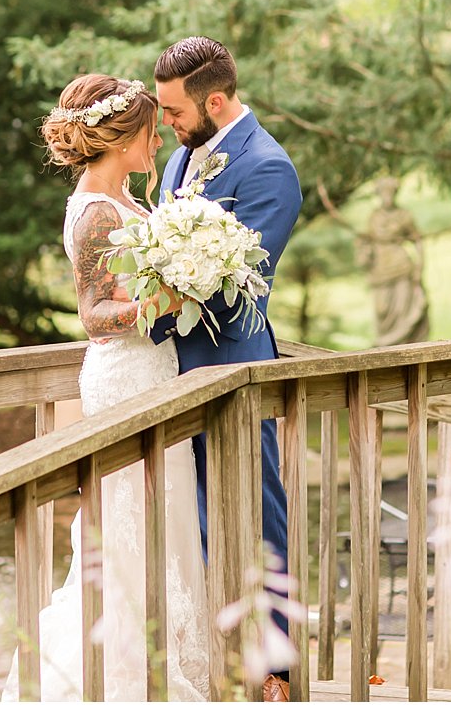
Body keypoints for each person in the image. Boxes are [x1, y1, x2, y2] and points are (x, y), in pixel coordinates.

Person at [3, 74, 210, 701]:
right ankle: (124, 674)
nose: (157, 142)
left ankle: (167, 658)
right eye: (150, 132)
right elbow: (94, 315)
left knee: (161, 521)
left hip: (155, 373)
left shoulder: (120, 197)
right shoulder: (96, 211)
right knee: (125, 527)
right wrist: (165, 299)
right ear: (124, 138)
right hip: (125, 382)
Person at [152, 37, 303, 704]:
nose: (165, 124)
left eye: (173, 110)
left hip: (232, 375)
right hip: (166, 376)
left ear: (214, 100)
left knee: (251, 522)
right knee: (188, 526)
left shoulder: (269, 170)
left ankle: (273, 672)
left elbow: (238, 281)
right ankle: (205, 663)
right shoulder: (182, 155)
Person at [360, 176, 429, 346]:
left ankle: (402, 349)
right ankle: (384, 347)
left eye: (390, 192)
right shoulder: (374, 217)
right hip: (380, 268)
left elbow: (417, 240)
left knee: (401, 311)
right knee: (382, 310)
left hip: (401, 266)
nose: (387, 196)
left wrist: (419, 268)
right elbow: (365, 241)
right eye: (383, 192)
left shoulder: (404, 215)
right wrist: (365, 250)